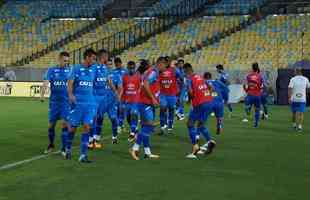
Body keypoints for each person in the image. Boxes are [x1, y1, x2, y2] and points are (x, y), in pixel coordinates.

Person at [129, 57, 166, 160]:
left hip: (146, 103)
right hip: (145, 103)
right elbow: (145, 84)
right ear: (159, 63)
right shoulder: (154, 72)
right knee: (149, 126)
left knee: (147, 127)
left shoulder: (151, 71)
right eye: (164, 65)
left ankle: (147, 152)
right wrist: (153, 98)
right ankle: (134, 148)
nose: (165, 67)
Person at [65, 48, 97, 163]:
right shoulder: (76, 68)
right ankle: (68, 149)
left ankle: (83, 155)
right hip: (77, 104)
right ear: (87, 57)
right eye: (93, 58)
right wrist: (70, 94)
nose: (94, 61)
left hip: (89, 104)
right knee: (72, 129)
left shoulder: (94, 69)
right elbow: (70, 83)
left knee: (87, 127)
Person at [41, 52, 71, 155]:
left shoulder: (70, 71)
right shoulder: (52, 70)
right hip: (54, 102)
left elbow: (74, 84)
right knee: (50, 126)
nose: (66, 63)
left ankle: (63, 148)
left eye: (67, 61)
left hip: (65, 102)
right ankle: (51, 144)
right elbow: (45, 83)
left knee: (64, 124)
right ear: (59, 59)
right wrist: (42, 95)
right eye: (64, 60)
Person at [89, 49, 121, 148]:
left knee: (99, 117)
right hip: (94, 97)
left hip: (103, 98)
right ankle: (90, 140)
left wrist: (115, 92)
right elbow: (90, 81)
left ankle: (95, 140)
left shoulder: (104, 68)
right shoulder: (94, 68)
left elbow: (109, 81)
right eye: (106, 56)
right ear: (103, 57)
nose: (107, 58)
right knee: (93, 118)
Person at [184, 63, 216, 159]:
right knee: (201, 125)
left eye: (184, 71)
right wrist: (206, 96)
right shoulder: (200, 77)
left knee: (190, 124)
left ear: (187, 70)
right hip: (209, 102)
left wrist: (190, 100)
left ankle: (195, 146)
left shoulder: (189, 79)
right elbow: (211, 88)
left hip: (200, 104)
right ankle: (210, 141)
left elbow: (190, 92)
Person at [159, 59, 182, 134]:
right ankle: (162, 126)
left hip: (172, 94)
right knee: (163, 108)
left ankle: (170, 126)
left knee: (171, 109)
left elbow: (181, 77)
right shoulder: (160, 70)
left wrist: (178, 86)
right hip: (163, 94)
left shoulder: (174, 70)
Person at [121, 61, 141, 142]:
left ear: (135, 68)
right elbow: (123, 89)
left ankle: (132, 133)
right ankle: (135, 129)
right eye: (130, 68)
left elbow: (141, 87)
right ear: (127, 68)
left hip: (136, 100)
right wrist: (122, 101)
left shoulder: (139, 76)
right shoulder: (124, 77)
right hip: (127, 101)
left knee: (134, 114)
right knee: (128, 117)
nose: (132, 70)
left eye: (133, 68)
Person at [242, 63, 263, 128]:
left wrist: (246, 90)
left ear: (252, 68)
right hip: (257, 95)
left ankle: (248, 108)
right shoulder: (260, 77)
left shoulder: (248, 76)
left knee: (246, 106)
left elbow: (245, 85)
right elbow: (261, 87)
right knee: (257, 110)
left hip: (250, 94)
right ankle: (256, 123)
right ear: (258, 68)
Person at [112, 57, 127, 132]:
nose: (117, 66)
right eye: (116, 64)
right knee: (117, 110)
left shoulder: (126, 71)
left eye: (118, 64)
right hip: (117, 93)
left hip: (125, 94)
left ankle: (120, 124)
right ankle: (119, 125)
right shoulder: (113, 72)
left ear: (121, 63)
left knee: (122, 109)